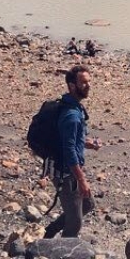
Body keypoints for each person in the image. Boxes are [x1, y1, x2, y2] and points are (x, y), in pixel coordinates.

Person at [44, 65, 103, 239]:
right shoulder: (71, 115)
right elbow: (69, 150)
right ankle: (63, 248)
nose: (88, 85)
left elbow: (70, 139)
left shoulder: (74, 107)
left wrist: (88, 143)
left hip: (68, 169)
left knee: (87, 205)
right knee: (75, 222)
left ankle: (49, 233)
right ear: (71, 86)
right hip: (65, 173)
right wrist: (82, 179)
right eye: (83, 83)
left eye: (89, 81)